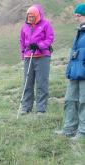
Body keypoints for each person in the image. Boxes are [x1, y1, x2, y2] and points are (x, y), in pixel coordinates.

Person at [55, 3, 85, 141]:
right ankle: (68, 129)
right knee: (70, 100)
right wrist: (70, 69)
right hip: (75, 72)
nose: (76, 18)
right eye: (75, 15)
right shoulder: (80, 32)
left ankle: (82, 133)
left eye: (78, 15)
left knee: (83, 102)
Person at [19, 4, 54, 116]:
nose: (30, 18)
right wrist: (23, 54)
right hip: (29, 57)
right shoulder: (24, 26)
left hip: (42, 57)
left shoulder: (46, 24)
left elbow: (50, 38)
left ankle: (41, 109)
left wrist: (39, 45)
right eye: (29, 16)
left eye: (32, 16)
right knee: (27, 83)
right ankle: (26, 107)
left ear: (38, 15)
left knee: (41, 82)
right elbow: (22, 41)